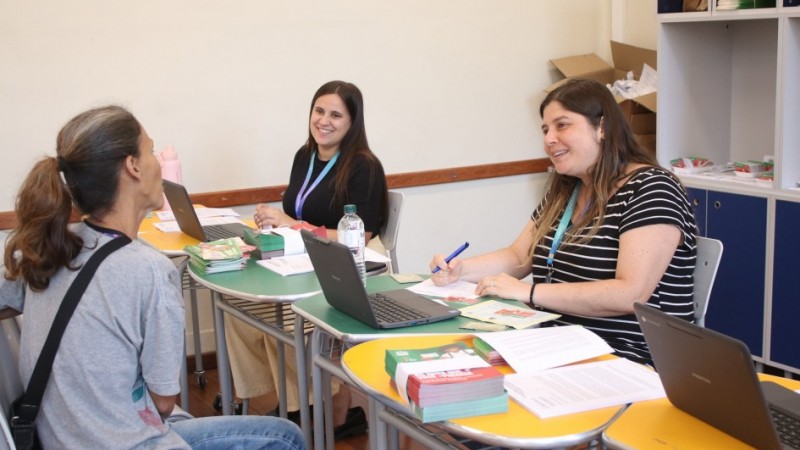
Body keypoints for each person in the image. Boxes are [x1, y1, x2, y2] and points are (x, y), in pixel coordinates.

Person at [0, 105, 304, 450]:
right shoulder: (149, 270)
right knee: (284, 437)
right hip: (124, 443)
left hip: (55, 438)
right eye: (150, 150)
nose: (158, 160)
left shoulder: (50, 249)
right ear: (132, 166)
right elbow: (162, 401)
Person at [430, 78, 697, 367]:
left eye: (562, 125)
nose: (548, 139)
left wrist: (530, 292)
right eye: (545, 129)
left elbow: (631, 293)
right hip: (559, 345)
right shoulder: (568, 189)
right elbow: (519, 256)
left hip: (629, 357)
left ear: (603, 128)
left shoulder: (651, 188)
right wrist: (460, 270)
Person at [226, 80, 387, 437]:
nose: (324, 121)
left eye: (335, 115)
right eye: (319, 111)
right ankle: (284, 400)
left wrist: (292, 224)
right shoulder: (306, 155)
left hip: (344, 267)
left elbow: (360, 235)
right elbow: (297, 212)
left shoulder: (364, 166)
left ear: (352, 122)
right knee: (241, 309)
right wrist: (274, 222)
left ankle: (327, 410)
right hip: (301, 261)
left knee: (287, 323)